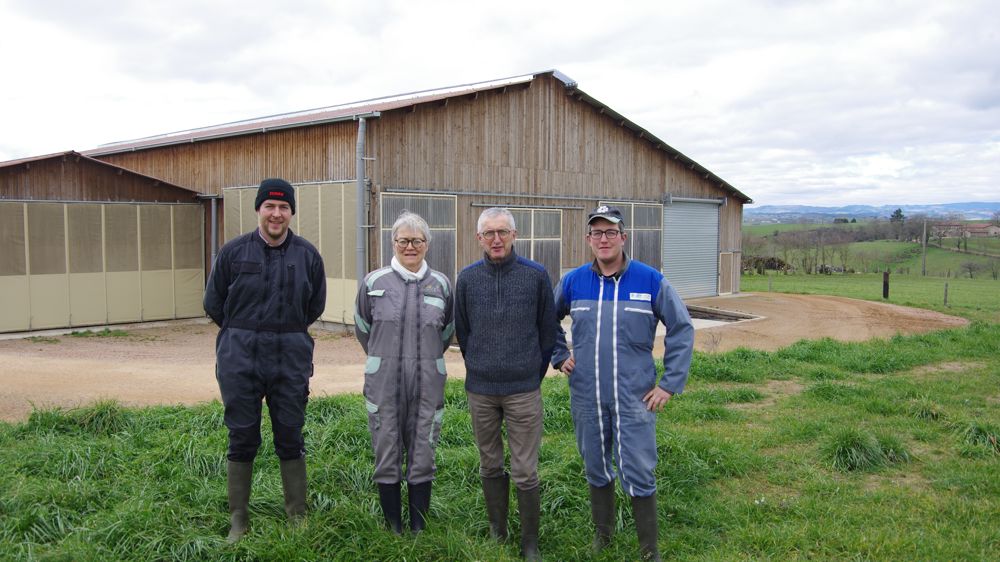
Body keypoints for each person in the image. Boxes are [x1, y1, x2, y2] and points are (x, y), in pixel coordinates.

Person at [551, 205, 694, 562]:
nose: (603, 239)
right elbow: (546, 320)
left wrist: (669, 383)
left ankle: (649, 550)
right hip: (587, 395)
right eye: (597, 233)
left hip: (636, 396)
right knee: (595, 465)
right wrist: (557, 354)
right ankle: (605, 540)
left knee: (639, 469)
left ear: (623, 238)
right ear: (588, 240)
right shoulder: (573, 282)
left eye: (610, 232)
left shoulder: (650, 280)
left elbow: (681, 328)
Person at [203, 178, 327, 543]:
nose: (276, 214)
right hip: (239, 356)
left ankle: (296, 515)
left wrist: (284, 332)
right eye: (269, 207)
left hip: (290, 356)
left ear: (291, 212)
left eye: (283, 207)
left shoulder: (307, 255)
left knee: (290, 433)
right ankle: (238, 519)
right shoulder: (233, 252)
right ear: (259, 209)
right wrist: (244, 334)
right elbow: (213, 303)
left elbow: (315, 305)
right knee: (241, 436)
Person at [455, 207, 558, 561]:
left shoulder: (536, 275)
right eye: (489, 233)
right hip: (480, 389)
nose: (496, 239)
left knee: (525, 469)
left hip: (523, 389)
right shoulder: (467, 279)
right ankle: (498, 531)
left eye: (502, 232)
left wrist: (532, 372)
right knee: (489, 463)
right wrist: (482, 366)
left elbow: (548, 332)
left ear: (514, 235)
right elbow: (464, 332)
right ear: (478, 238)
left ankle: (530, 542)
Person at [354, 211, 454, 534]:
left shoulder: (441, 285)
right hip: (384, 384)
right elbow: (364, 329)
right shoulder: (373, 283)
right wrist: (384, 359)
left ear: (427, 244)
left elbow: (446, 332)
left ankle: (418, 527)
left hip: (428, 384)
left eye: (417, 240)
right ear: (393, 243)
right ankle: (393, 526)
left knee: (423, 449)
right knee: (386, 448)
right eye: (403, 240)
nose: (410, 246)